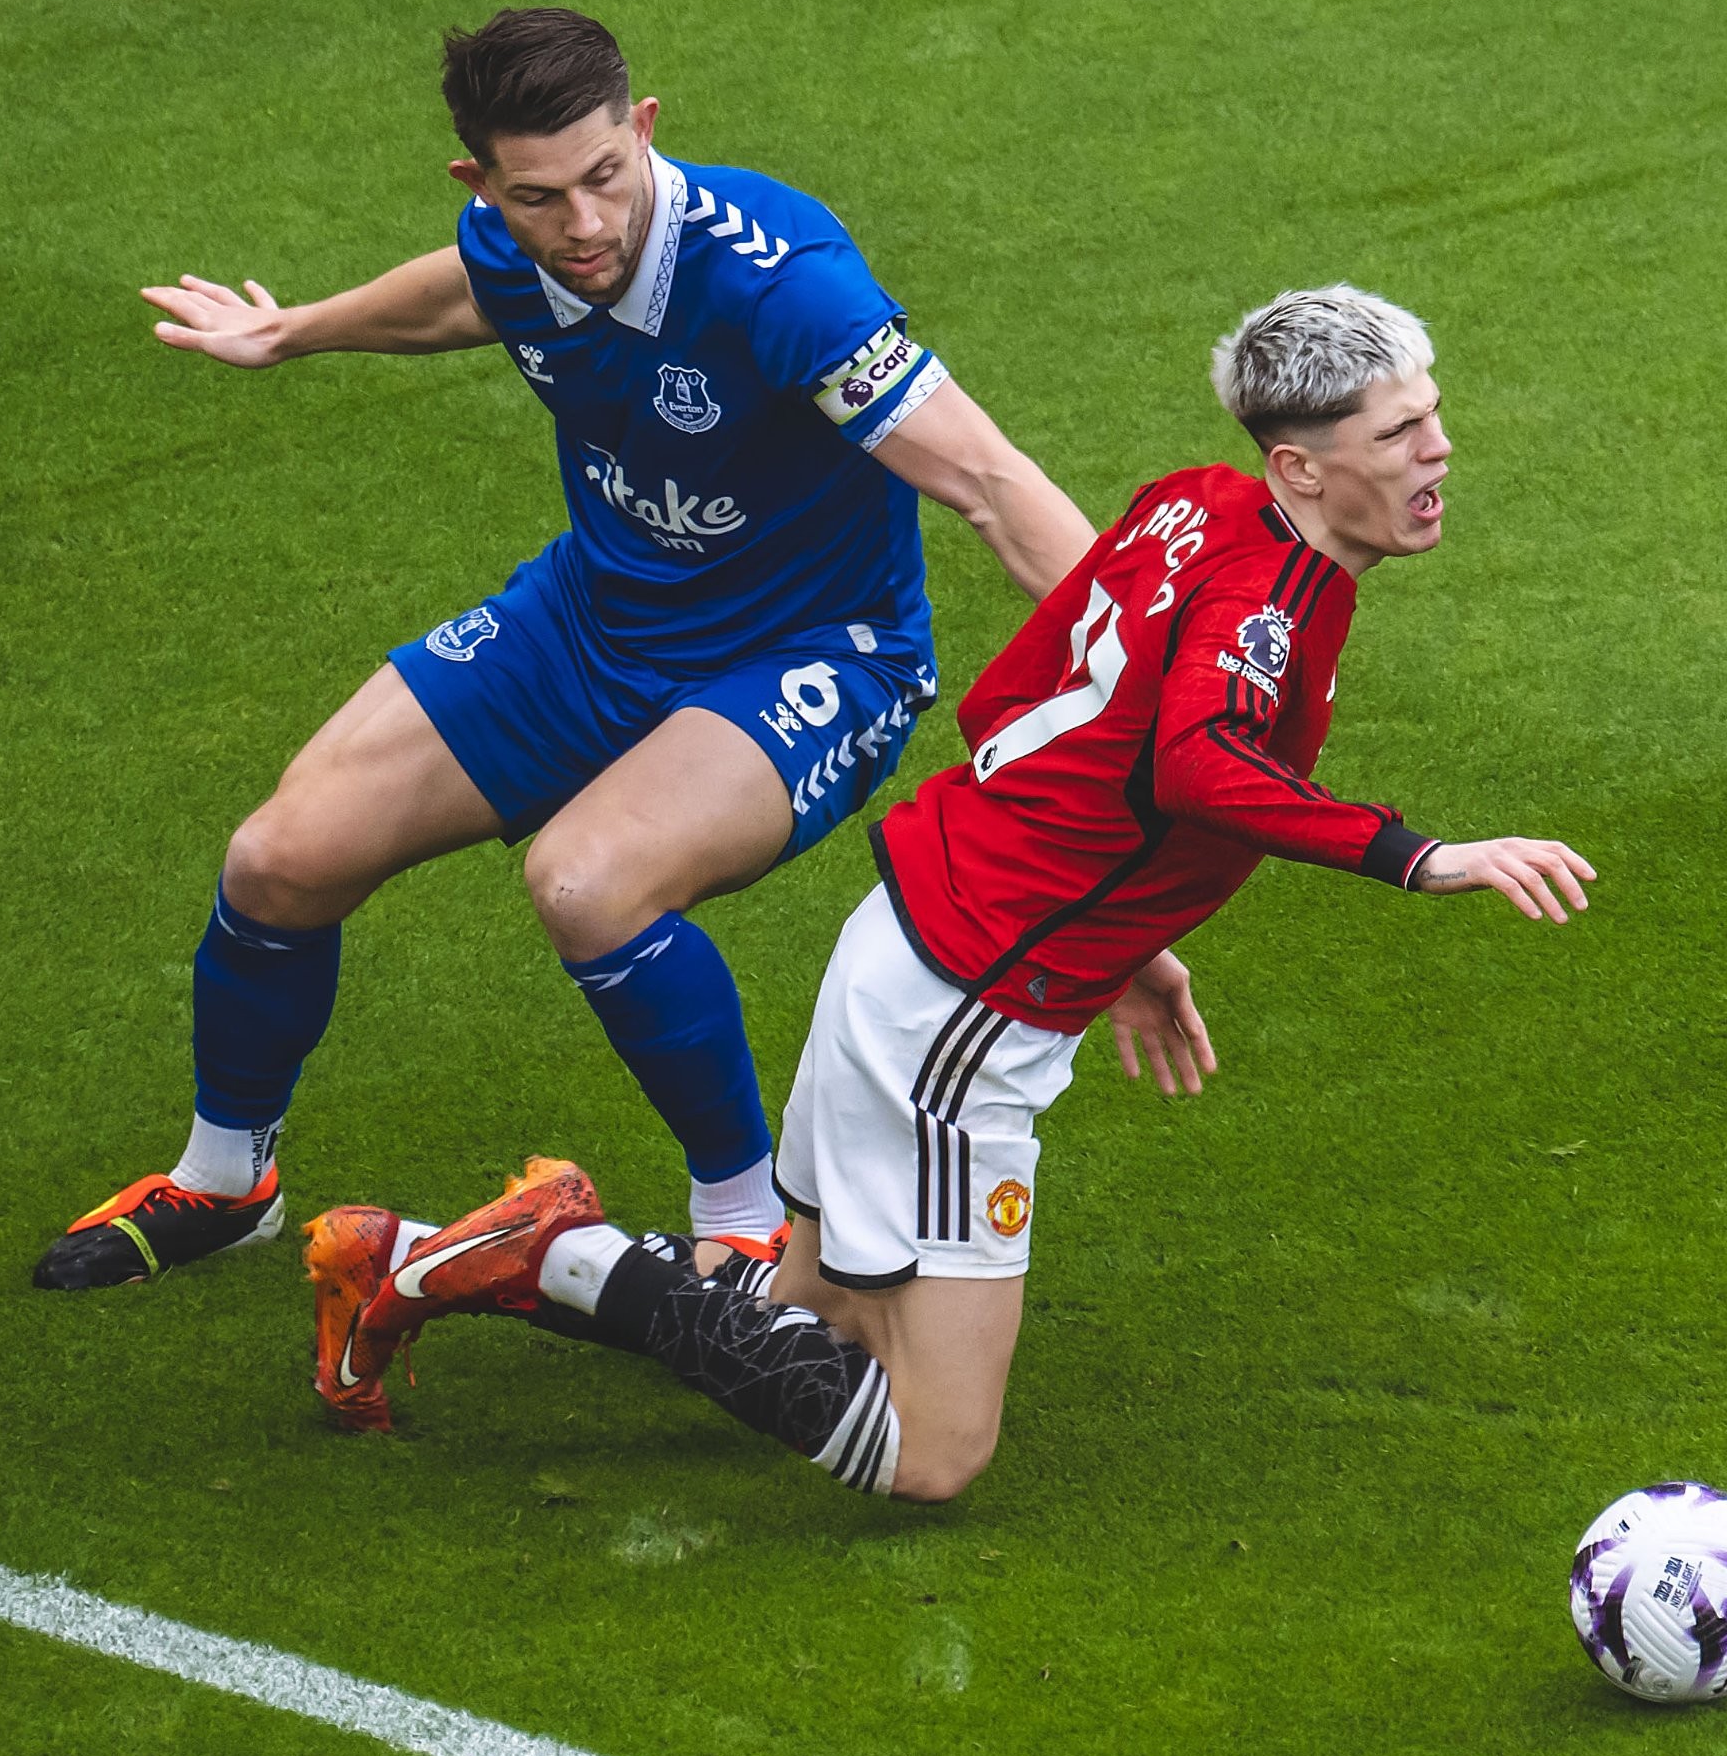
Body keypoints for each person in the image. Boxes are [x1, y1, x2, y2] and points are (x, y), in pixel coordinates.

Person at [301, 285, 1594, 1497]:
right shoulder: (1275, 598)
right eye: (1404, 429)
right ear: (1302, 466)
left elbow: (1023, 695)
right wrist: (1419, 853)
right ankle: (546, 1250)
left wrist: (1126, 925)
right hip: (968, 1009)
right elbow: (1196, 759)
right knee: (933, 1448)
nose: (1439, 450)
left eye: (1431, 417)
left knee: (800, 1313)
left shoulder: (1195, 502)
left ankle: (429, 1257)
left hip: (916, 939)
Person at [32, 8, 1097, 1289]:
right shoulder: (513, 239)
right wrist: (294, 328)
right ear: (478, 182)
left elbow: (987, 478)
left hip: (819, 651)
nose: (584, 226)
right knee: (277, 858)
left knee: (586, 882)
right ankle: (225, 1179)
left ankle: (747, 1219)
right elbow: (466, 293)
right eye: (539, 196)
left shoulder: (779, 279)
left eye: (607, 177)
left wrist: (1128, 695)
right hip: (598, 616)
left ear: (643, 129)